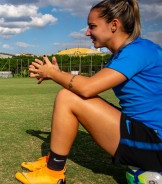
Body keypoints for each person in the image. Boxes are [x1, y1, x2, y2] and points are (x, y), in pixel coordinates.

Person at [15, 0, 162, 183]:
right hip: (149, 136)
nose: (87, 33)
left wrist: (53, 74)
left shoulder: (137, 51)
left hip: (155, 144)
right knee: (71, 95)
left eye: (92, 26)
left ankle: (53, 172)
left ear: (114, 25)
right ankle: (53, 161)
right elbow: (88, 85)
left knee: (69, 97)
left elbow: (87, 88)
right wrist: (57, 73)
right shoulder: (131, 51)